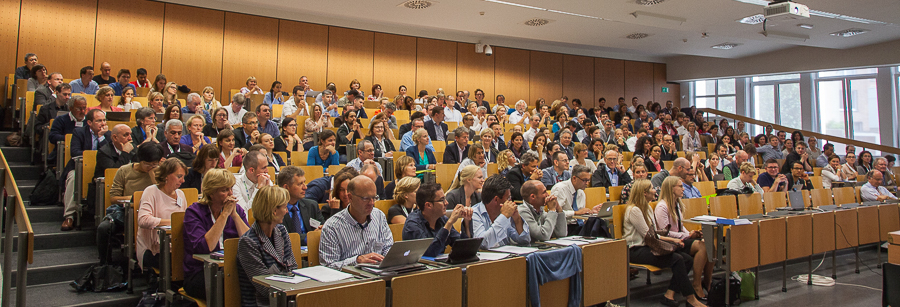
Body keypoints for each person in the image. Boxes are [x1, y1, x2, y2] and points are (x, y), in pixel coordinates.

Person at [624, 179, 706, 307]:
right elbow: (649, 236)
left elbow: (655, 234)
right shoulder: (634, 210)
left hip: (647, 246)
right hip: (635, 249)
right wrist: (672, 241)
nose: (654, 190)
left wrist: (674, 239)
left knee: (687, 260)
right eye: (652, 188)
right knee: (677, 259)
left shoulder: (647, 208)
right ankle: (691, 299)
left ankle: (669, 294)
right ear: (644, 193)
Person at [183, 169, 250, 300]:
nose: (230, 193)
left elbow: (249, 242)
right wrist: (224, 215)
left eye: (231, 188)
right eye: (224, 190)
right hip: (200, 272)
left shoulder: (235, 209)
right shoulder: (194, 212)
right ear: (211, 192)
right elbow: (206, 246)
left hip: (230, 268)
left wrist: (235, 216)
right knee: (232, 285)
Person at [237, 186, 298, 307]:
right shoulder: (248, 242)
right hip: (261, 303)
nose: (286, 211)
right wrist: (286, 276)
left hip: (285, 297)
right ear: (274, 211)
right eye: (284, 207)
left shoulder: (281, 231)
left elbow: (293, 267)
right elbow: (264, 286)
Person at [655, 176, 713, 297]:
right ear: (671, 188)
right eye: (680, 186)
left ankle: (708, 281)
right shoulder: (662, 207)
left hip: (680, 238)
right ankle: (696, 285)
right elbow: (664, 232)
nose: (683, 189)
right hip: (670, 242)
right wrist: (686, 236)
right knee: (702, 246)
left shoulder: (677, 204)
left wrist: (690, 233)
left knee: (710, 244)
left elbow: (680, 227)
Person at [320, 175, 394, 269]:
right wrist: (356, 260)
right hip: (351, 280)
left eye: (374, 197)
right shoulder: (332, 226)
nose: (371, 203)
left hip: (379, 275)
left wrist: (390, 258)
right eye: (365, 198)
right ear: (350, 197)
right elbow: (328, 266)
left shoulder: (379, 216)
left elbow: (388, 247)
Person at [60, 109, 111, 231]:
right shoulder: (79, 132)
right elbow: (75, 152)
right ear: (89, 122)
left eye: (104, 120)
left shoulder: (108, 135)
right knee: (73, 178)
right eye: (99, 121)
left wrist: (101, 138)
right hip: (79, 167)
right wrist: (90, 157)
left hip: (101, 169)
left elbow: (109, 154)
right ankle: (69, 216)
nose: (103, 124)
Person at [137, 158, 188, 270]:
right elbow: (143, 220)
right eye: (179, 176)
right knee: (179, 264)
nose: (183, 181)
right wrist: (172, 222)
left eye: (183, 177)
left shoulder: (181, 194)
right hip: (152, 249)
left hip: (174, 246)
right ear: (166, 176)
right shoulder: (151, 191)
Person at [402, 182, 473, 257]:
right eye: (442, 200)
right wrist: (449, 223)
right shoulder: (412, 224)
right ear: (428, 205)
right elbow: (430, 252)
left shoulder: (442, 219)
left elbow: (462, 247)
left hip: (439, 266)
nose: (446, 203)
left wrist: (467, 223)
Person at [472, 175, 530, 248]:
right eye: (508, 198)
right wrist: (503, 217)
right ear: (496, 199)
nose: (510, 201)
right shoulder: (475, 214)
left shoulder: (506, 213)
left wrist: (517, 220)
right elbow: (483, 243)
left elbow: (524, 241)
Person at [277, 166, 324, 242]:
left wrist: (320, 231)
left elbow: (322, 229)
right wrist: (309, 237)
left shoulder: (312, 206)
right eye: (300, 184)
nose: (305, 187)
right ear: (286, 187)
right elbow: (283, 237)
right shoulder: (276, 209)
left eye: (304, 182)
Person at [551, 165, 598, 236]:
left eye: (588, 180)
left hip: (578, 226)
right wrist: (575, 213)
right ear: (574, 178)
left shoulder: (581, 192)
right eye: (584, 180)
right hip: (565, 227)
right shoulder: (560, 189)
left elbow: (580, 214)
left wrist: (590, 212)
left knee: (598, 223)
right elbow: (554, 213)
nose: (587, 183)